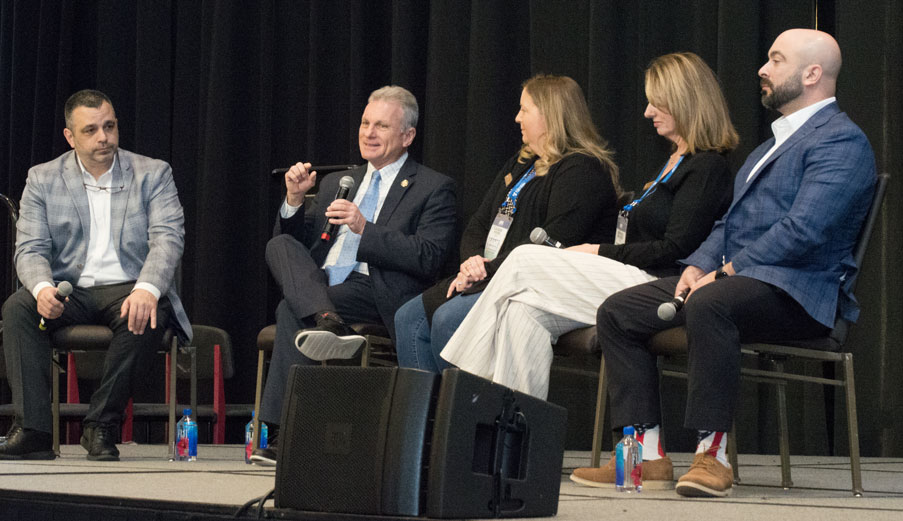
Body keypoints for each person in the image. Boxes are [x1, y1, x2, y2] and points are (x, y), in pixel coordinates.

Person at [572, 29, 877, 498]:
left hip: (800, 292)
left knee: (711, 302)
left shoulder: (842, 142)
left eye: (776, 60)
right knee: (617, 312)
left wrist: (725, 272)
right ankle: (643, 458)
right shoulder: (764, 149)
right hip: (739, 283)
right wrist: (698, 265)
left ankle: (712, 458)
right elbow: (726, 228)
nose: (762, 69)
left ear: (812, 74)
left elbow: (803, 231)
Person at [441, 52, 738, 408]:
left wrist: (597, 251)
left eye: (656, 102)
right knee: (523, 313)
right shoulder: (673, 160)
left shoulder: (706, 167)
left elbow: (674, 247)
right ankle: (521, 444)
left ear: (684, 101)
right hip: (623, 275)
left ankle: (462, 387)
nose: (646, 111)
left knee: (523, 258)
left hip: (658, 285)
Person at [0, 89, 191, 462]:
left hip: (127, 286)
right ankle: (34, 430)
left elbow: (168, 239)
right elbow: (30, 248)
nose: (104, 137)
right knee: (19, 306)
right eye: (91, 130)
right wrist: (43, 288)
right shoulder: (43, 178)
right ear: (70, 136)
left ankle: (101, 426)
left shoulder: (152, 173)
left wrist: (147, 288)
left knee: (148, 310)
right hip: (69, 288)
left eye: (109, 127)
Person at [250, 86, 457, 465]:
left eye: (381, 125)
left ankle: (283, 434)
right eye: (365, 123)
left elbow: (429, 257)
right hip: (324, 285)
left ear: (407, 136)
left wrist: (366, 229)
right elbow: (304, 249)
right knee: (278, 246)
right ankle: (327, 320)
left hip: (376, 290)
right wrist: (294, 201)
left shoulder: (432, 187)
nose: (369, 133)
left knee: (289, 311)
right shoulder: (337, 183)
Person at [394, 74, 620, 374]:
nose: (517, 118)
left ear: (550, 114)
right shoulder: (522, 162)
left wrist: (485, 270)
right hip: (489, 274)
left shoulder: (583, 170)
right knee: (408, 318)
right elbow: (479, 222)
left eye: (524, 110)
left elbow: (549, 245)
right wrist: (472, 262)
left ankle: (465, 416)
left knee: (451, 321)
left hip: (528, 284)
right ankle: (430, 418)